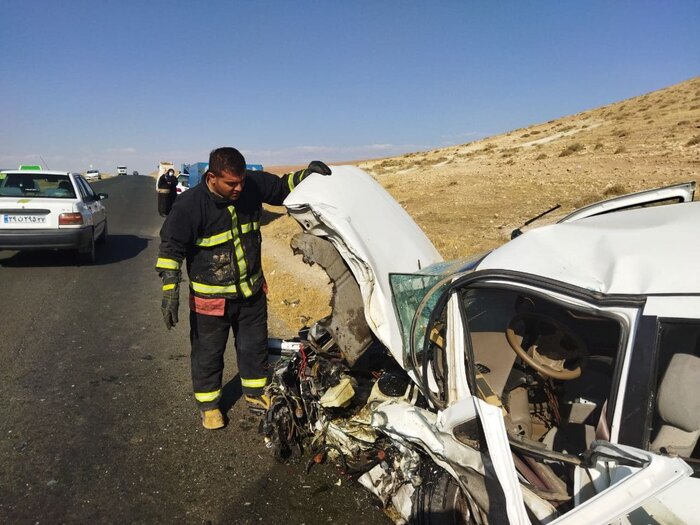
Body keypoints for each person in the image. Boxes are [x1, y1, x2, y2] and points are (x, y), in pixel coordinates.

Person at [156, 147, 331, 429]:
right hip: (210, 301)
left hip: (251, 294)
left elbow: (281, 187)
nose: (239, 188)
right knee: (208, 354)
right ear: (211, 177)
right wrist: (170, 290)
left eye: (241, 182)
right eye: (231, 184)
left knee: (253, 348)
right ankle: (210, 404)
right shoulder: (189, 205)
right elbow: (171, 247)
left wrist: (306, 176)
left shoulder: (249, 185)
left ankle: (255, 392)